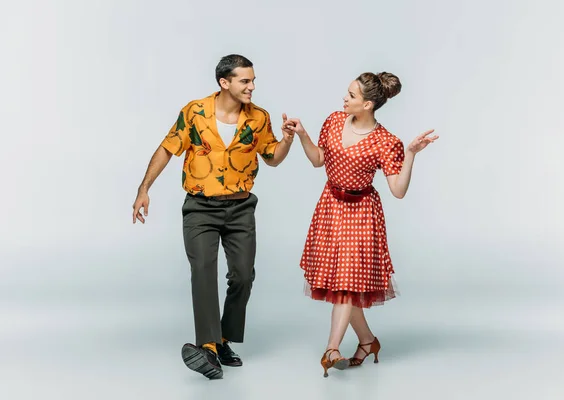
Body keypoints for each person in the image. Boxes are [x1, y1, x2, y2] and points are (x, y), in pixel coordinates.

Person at [132, 54, 294, 380]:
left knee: (243, 276)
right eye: (245, 81)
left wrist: (288, 140)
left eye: (253, 80)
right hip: (200, 208)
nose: (252, 86)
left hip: (240, 208)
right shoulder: (194, 113)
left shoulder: (259, 118)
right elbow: (167, 148)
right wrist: (144, 188)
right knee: (203, 270)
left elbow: (272, 157)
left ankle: (222, 338)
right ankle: (206, 347)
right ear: (225, 82)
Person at [283, 71, 438, 377]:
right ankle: (368, 341)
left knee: (346, 282)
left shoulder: (386, 142)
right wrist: (302, 134)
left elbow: (398, 190)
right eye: (347, 93)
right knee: (343, 281)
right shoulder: (333, 121)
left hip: (361, 213)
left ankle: (331, 349)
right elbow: (318, 160)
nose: (344, 98)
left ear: (368, 104)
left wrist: (410, 154)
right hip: (331, 207)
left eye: (352, 96)